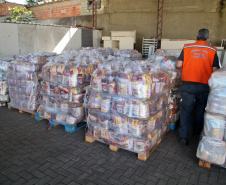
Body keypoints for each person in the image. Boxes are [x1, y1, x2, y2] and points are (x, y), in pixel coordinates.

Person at [176, 28, 220, 145]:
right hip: (204, 86)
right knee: (200, 108)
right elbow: (215, 70)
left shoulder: (187, 47)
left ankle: (184, 137)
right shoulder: (212, 50)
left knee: (186, 109)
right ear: (208, 38)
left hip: (188, 85)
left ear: (196, 37)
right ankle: (196, 131)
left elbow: (179, 64)